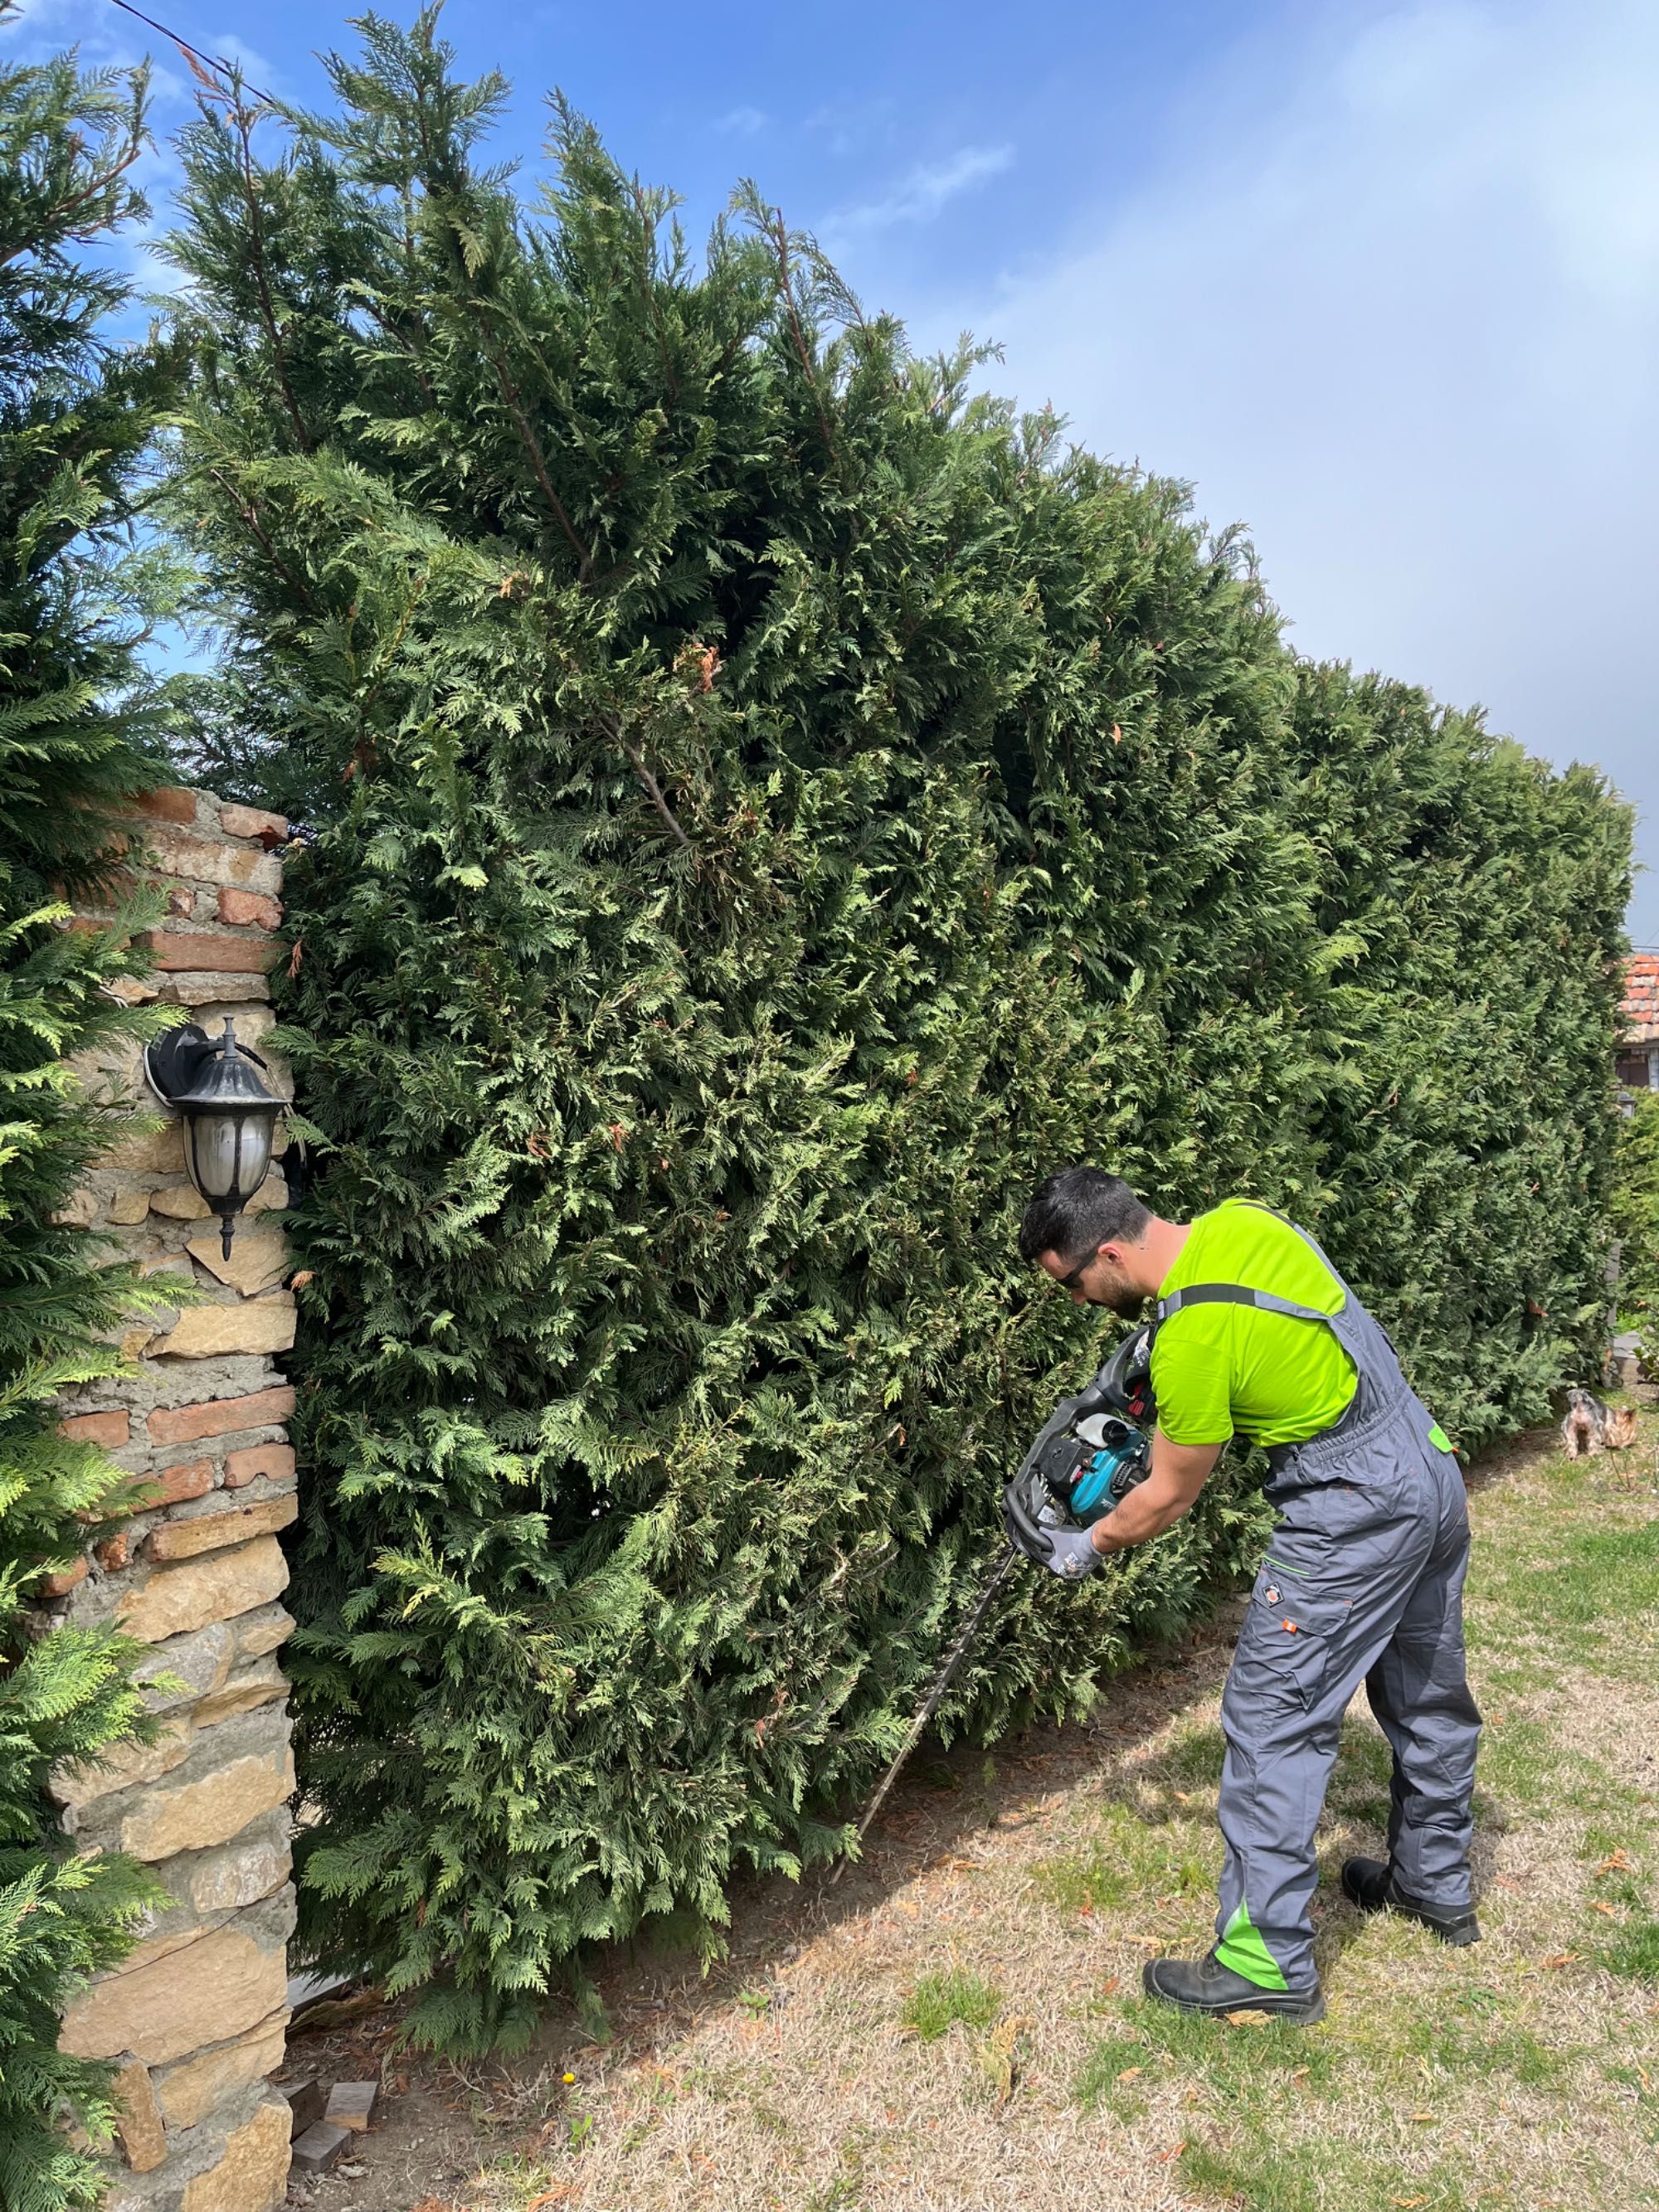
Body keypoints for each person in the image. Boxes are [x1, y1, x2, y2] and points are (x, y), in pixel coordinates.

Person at [1018, 1166, 1482, 2025]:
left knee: (1272, 1717)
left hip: (1350, 1513)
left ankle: (1260, 1960)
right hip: (1426, 1471)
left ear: (1109, 1253)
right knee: (1426, 1694)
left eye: (1073, 1284)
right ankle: (1433, 1884)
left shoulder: (1192, 1340)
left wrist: (1082, 1545)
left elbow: (1163, 1494)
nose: (1079, 1303)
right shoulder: (1245, 1223)